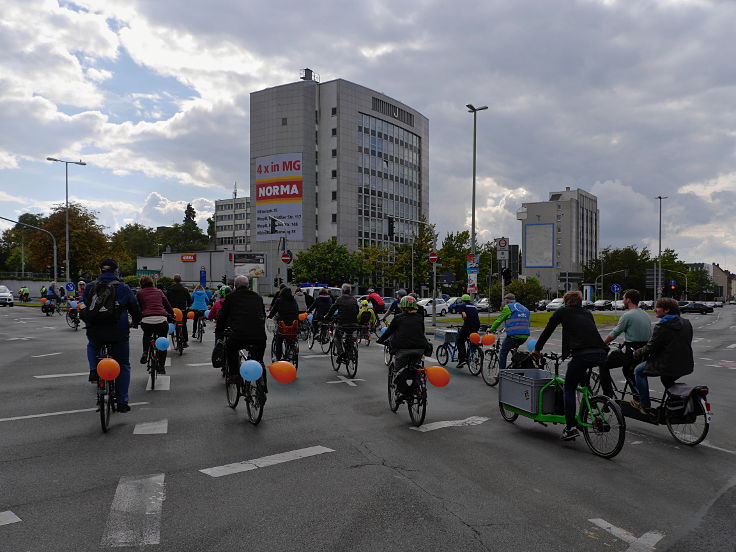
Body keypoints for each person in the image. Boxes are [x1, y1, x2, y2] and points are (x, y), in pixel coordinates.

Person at [533, 290, 608, 441]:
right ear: (580, 302)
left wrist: (537, 349)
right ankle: (593, 403)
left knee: (569, 387)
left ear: (566, 301)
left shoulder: (563, 312)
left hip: (581, 354)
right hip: (600, 352)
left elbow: (548, 330)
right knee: (582, 380)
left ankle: (571, 427)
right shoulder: (587, 313)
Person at [82, 258, 141, 412]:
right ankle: (122, 401)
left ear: (100, 270)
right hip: (118, 331)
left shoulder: (90, 287)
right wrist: (136, 321)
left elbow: (84, 306)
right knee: (123, 364)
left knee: (93, 345)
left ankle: (94, 370)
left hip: (95, 329)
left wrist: (89, 322)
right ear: (116, 271)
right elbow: (134, 306)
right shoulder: (123, 287)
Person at [630, 298, 693, 414]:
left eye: (657, 307)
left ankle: (644, 405)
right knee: (666, 379)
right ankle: (678, 402)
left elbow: (651, 347)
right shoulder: (686, 323)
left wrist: (637, 353)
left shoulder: (663, 325)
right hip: (686, 364)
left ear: (666, 310)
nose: (655, 310)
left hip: (667, 363)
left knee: (638, 371)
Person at [599, 289, 652, 398]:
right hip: (643, 352)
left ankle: (607, 396)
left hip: (630, 352)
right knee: (628, 370)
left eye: (623, 298)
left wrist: (602, 344)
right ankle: (637, 396)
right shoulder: (645, 314)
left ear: (628, 300)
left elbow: (615, 333)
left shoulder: (628, 315)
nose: (623, 300)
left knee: (603, 365)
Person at [216, 276, 267, 384]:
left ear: (235, 286)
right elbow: (263, 315)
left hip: (239, 335)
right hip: (259, 336)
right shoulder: (257, 297)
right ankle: (261, 382)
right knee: (258, 359)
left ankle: (234, 375)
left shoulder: (230, 297)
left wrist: (219, 331)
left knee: (230, 348)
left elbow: (222, 316)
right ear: (248, 285)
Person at [377, 295, 430, 399]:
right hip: (420, 349)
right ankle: (417, 387)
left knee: (397, 371)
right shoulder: (419, 317)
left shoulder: (398, 318)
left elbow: (389, 332)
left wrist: (380, 340)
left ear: (402, 307)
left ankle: (401, 392)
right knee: (415, 368)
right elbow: (421, 331)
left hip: (403, 350)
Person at [136, 275, 174, 373]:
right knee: (162, 341)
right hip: (161, 320)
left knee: (147, 335)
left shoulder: (139, 293)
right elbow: (167, 304)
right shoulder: (159, 291)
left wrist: (137, 319)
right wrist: (172, 314)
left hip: (147, 320)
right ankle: (161, 366)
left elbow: (137, 307)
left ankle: (145, 352)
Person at [489, 293, 531, 371]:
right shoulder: (525, 308)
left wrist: (491, 329)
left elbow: (499, 320)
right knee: (514, 351)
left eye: (504, 301)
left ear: (507, 301)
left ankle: (502, 373)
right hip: (525, 336)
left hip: (513, 336)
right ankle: (516, 365)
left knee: (503, 353)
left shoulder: (508, 307)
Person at [326, 283, 360, 357]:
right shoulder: (354, 299)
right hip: (354, 324)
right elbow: (357, 311)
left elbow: (332, 310)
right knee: (349, 336)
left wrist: (327, 317)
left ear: (342, 291)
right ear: (349, 291)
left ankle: (341, 352)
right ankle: (350, 349)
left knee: (336, 338)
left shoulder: (339, 299)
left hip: (342, 324)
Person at [268, 286, 299, 360]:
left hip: (283, 323)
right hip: (294, 323)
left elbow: (274, 311)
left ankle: (278, 357)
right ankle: (291, 349)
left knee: (279, 339)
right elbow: (296, 310)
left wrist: (269, 316)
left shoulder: (279, 300)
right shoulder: (293, 300)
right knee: (290, 337)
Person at [454, 294, 480, 369]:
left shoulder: (462, 305)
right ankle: (474, 353)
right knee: (472, 340)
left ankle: (462, 359)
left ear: (462, 300)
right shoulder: (474, 306)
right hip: (477, 325)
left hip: (468, 325)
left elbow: (464, 315)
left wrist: (464, 318)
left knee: (460, 340)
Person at [166, 275, 192, 347]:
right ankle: (185, 341)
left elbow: (166, 300)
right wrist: (189, 306)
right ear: (180, 280)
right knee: (183, 325)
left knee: (171, 323)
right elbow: (189, 300)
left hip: (172, 310)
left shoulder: (169, 289)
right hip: (182, 310)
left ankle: (172, 334)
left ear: (174, 280)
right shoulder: (184, 289)